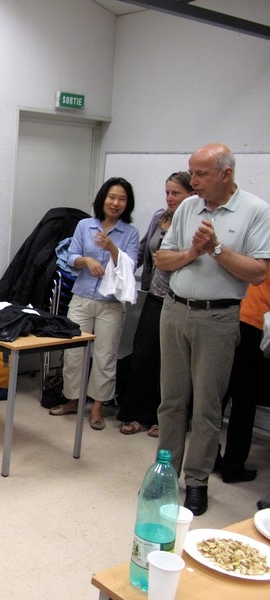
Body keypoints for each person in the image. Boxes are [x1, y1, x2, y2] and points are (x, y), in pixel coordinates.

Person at [155, 143, 270, 516]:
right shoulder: (189, 207)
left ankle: (197, 482)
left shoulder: (255, 211)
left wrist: (217, 249)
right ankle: (165, 475)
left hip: (218, 319)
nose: (193, 181)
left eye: (201, 174)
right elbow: (162, 258)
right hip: (175, 311)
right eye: (192, 172)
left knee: (206, 407)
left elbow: (258, 272)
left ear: (226, 174)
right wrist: (193, 253)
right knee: (171, 402)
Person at [48, 178, 140, 430]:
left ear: (127, 204)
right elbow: (70, 256)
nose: (116, 203)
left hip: (112, 303)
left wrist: (112, 249)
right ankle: (72, 400)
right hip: (82, 296)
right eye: (112, 197)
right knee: (73, 353)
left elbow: (130, 266)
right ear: (103, 199)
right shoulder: (84, 225)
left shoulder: (130, 233)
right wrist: (86, 261)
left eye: (122, 199)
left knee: (105, 356)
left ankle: (97, 407)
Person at [117, 172, 193, 436]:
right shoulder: (160, 217)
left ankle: (164, 419)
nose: (170, 198)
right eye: (167, 192)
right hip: (155, 296)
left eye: (176, 193)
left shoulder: (194, 223)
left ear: (191, 195)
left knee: (171, 362)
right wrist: (121, 271)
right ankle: (134, 413)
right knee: (143, 355)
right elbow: (142, 251)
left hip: (181, 301)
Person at [215, 272, 270, 483]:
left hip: (231, 313)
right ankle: (233, 467)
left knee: (218, 395)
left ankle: (208, 457)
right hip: (257, 322)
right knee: (244, 401)